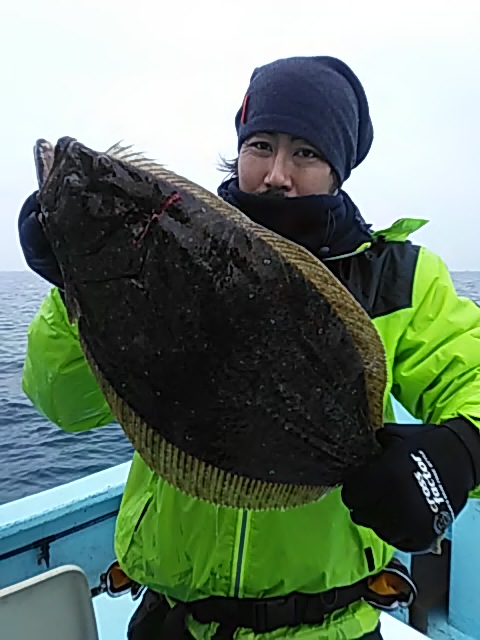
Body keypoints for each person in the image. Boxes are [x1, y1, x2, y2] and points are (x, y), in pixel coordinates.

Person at [17, 55, 480, 640]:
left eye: (305, 153)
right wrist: (74, 286)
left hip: (327, 629)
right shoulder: (169, 256)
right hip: (170, 622)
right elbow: (66, 406)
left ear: (338, 170)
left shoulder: (396, 278)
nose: (276, 174)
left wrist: (461, 451)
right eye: (260, 146)